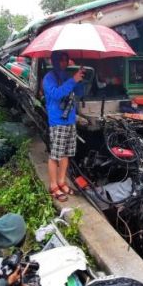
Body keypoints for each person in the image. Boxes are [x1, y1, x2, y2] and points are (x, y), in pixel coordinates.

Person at [43, 51, 85, 202]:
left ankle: (62, 182)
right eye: (61, 60)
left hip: (70, 120)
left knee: (66, 153)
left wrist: (80, 79)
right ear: (54, 61)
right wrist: (73, 80)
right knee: (55, 155)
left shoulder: (68, 75)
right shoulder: (49, 78)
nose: (64, 63)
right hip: (57, 121)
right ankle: (53, 186)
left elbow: (80, 93)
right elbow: (56, 94)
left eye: (66, 60)